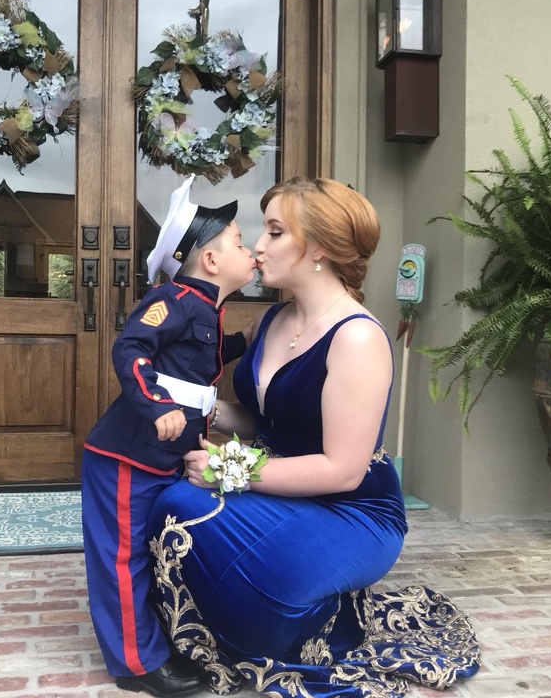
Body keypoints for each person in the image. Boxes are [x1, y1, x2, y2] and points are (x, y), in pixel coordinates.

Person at [147, 177, 482, 698]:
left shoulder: (357, 337)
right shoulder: (273, 319)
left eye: (276, 232)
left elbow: (341, 469)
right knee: (175, 500)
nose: (258, 246)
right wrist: (190, 408)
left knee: (205, 519)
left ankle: (307, 617)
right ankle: (239, 623)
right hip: (281, 487)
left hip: (352, 511)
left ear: (321, 247)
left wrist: (228, 469)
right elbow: (268, 422)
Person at [82, 174, 255, 698]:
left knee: (152, 551)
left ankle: (158, 638)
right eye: (241, 242)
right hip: (127, 457)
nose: (250, 252)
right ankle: (137, 664)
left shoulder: (207, 311)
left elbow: (198, 364)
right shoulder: (173, 299)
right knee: (122, 557)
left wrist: (254, 340)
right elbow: (130, 350)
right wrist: (157, 405)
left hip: (161, 458)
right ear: (209, 260)